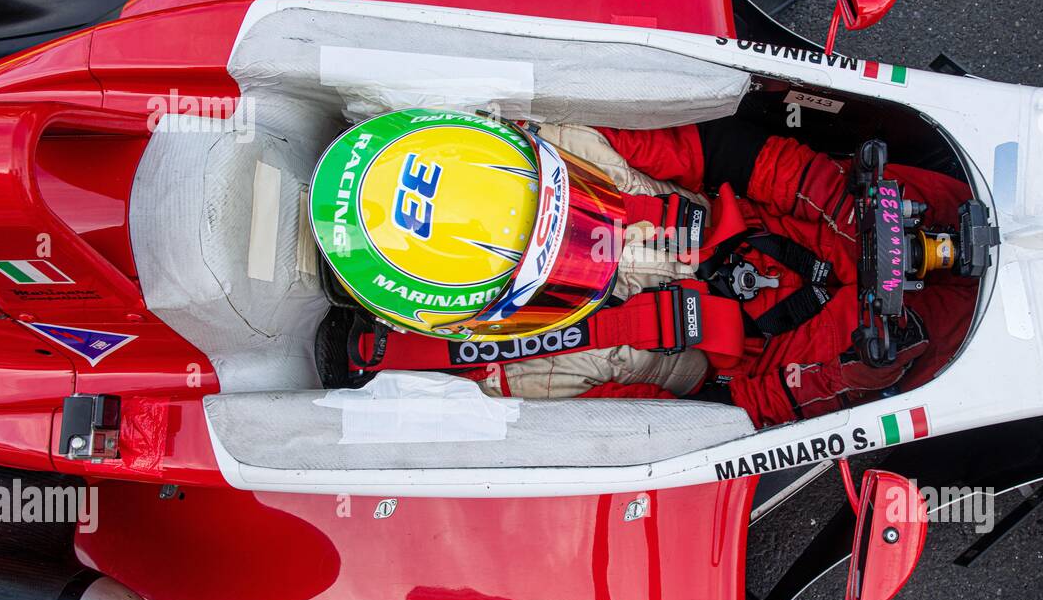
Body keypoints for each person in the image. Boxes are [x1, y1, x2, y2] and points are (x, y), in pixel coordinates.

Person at [309, 109, 978, 429]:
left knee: (547, 364)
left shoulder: (909, 346)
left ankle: (392, 350)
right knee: (569, 146)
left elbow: (708, 147)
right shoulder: (503, 373)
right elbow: (693, 425)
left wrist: (837, 205)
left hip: (722, 299)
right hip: (711, 286)